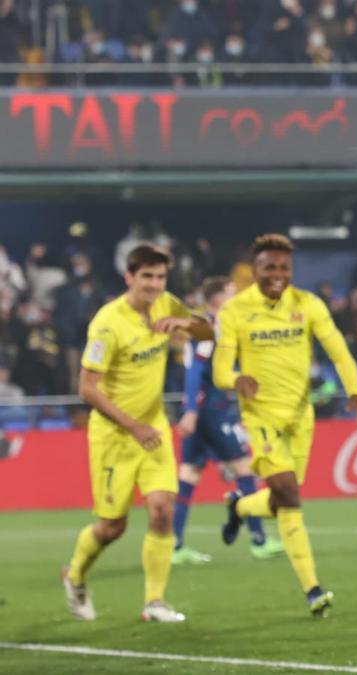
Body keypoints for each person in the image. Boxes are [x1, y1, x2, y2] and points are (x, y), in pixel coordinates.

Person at [213, 234, 357, 617]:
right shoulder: (234, 311)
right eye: (270, 267)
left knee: (283, 497)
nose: (278, 275)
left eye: (284, 268)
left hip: (301, 418)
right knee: (289, 494)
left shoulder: (308, 304)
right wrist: (235, 380)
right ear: (255, 270)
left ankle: (241, 506)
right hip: (261, 417)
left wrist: (355, 391)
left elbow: (338, 351)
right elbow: (219, 368)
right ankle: (313, 589)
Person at [62, 244, 213, 623]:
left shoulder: (167, 304)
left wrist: (184, 324)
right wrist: (133, 425)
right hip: (115, 436)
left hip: (154, 427)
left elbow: (208, 330)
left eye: (160, 277)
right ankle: (75, 574)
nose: (155, 284)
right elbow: (87, 388)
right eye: (147, 276)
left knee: (163, 509)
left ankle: (155, 602)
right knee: (113, 526)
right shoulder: (107, 323)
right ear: (129, 277)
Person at [171, 276, 285, 565]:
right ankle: (259, 540)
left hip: (203, 408)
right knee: (244, 470)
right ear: (218, 298)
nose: (236, 298)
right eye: (231, 294)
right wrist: (194, 411)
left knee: (188, 475)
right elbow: (196, 370)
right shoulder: (207, 328)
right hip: (209, 410)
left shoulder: (210, 326)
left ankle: (174, 545)